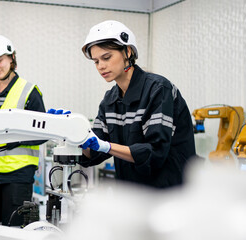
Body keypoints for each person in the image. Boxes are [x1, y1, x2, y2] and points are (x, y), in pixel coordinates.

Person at [78, 20, 196, 188]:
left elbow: (154, 152)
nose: (101, 66)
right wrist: (74, 135)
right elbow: (94, 152)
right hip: (132, 195)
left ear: (127, 51)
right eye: (96, 61)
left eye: (106, 57)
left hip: (168, 194)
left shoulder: (158, 90)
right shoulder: (110, 99)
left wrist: (107, 146)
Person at [0, 35, 46, 225]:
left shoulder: (29, 91)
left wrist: (17, 139)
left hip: (18, 175)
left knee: (15, 228)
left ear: (12, 57)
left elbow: (44, 133)